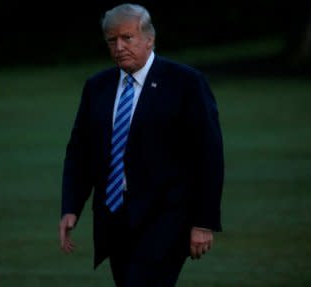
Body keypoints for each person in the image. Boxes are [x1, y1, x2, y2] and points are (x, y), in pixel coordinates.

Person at [58, 3, 224, 287]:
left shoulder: (185, 83)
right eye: (112, 40)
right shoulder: (97, 86)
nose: (119, 46)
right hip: (115, 217)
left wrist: (203, 222)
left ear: (150, 39)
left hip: (168, 217)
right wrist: (71, 206)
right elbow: (80, 152)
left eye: (127, 38)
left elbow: (209, 155)